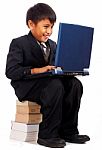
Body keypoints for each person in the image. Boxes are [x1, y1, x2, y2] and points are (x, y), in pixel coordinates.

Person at [5, 3, 90, 148]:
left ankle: (68, 131)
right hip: (28, 85)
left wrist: (68, 70)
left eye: (51, 27)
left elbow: (54, 68)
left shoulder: (54, 44)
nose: (49, 31)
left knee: (75, 84)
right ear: (31, 24)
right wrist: (39, 70)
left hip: (49, 81)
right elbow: (11, 71)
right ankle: (47, 135)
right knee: (55, 86)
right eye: (46, 27)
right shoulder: (19, 43)